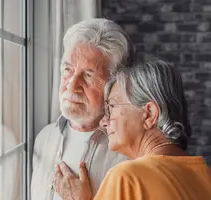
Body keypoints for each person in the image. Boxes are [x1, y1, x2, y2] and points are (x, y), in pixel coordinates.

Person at [54, 59, 211, 200]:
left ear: (149, 114)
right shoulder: (205, 175)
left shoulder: (127, 178)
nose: (103, 121)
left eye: (111, 108)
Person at [31, 18, 134, 200]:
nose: (71, 86)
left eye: (88, 75)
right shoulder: (44, 139)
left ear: (115, 84)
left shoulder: (131, 155)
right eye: (67, 69)